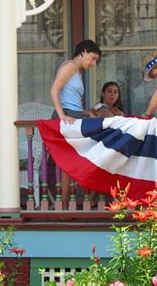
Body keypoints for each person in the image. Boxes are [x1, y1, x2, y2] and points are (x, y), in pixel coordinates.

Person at [50, 39, 102, 209]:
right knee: (70, 162)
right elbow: (54, 89)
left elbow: (72, 100)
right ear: (83, 52)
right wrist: (61, 115)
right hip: (68, 117)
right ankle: (65, 205)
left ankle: (88, 198)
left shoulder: (76, 71)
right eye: (93, 58)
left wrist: (86, 112)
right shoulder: (70, 66)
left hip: (76, 115)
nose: (93, 63)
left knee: (85, 157)